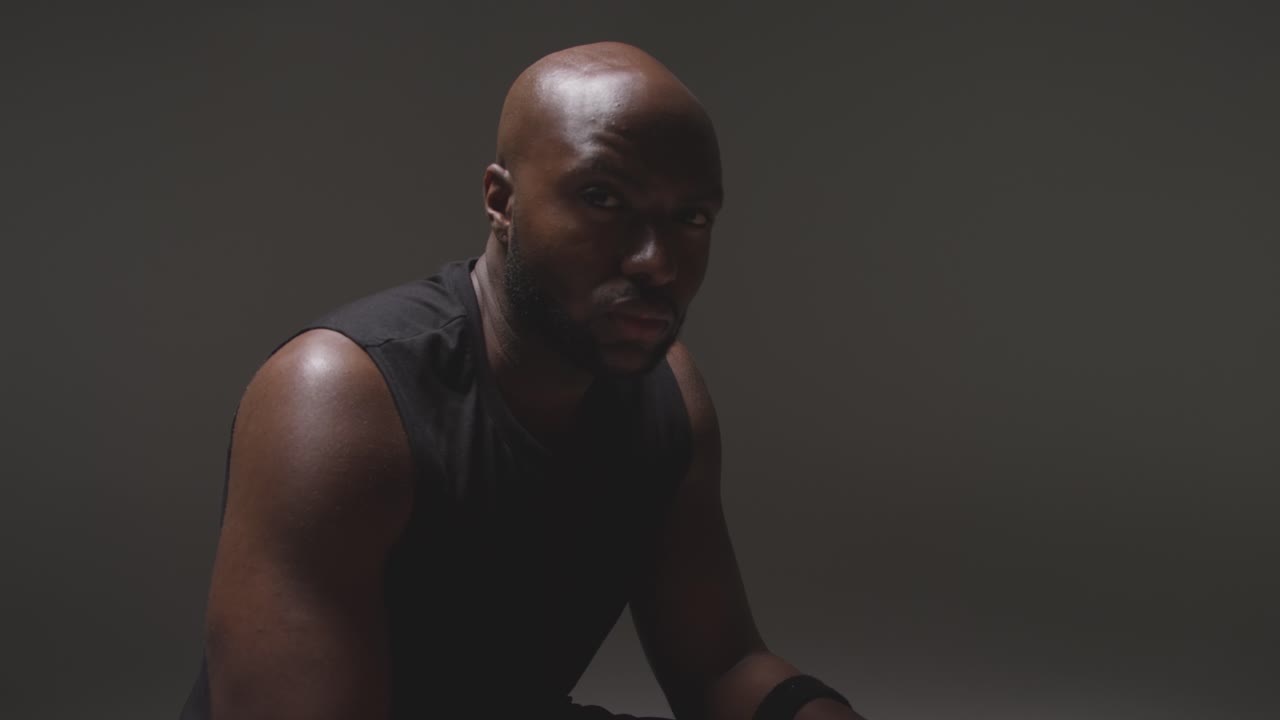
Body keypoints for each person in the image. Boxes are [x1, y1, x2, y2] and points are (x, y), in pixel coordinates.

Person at [181, 41, 865, 720]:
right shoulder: (338, 399)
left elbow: (723, 666)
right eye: (603, 198)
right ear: (501, 201)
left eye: (690, 217)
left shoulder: (666, 396)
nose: (657, 261)